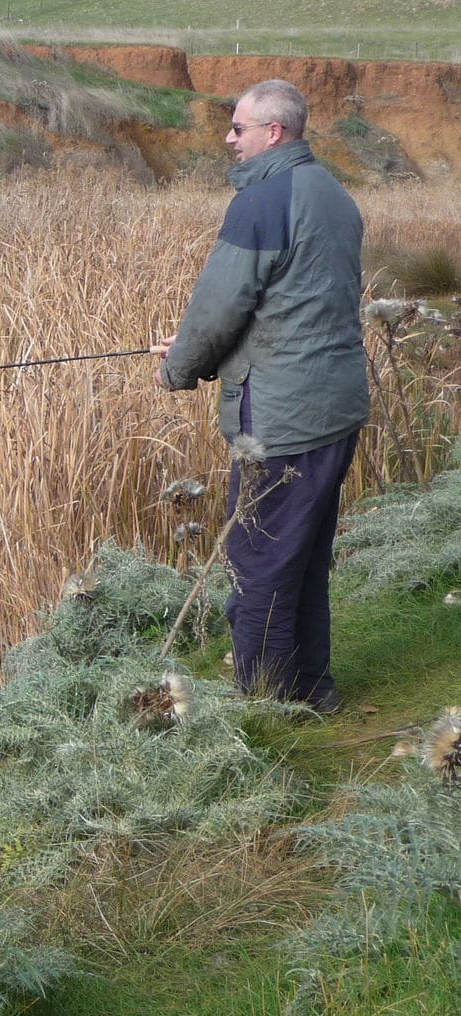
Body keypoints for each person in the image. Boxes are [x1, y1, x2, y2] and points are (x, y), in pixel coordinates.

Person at [151, 79, 368, 713]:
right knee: (300, 552)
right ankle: (309, 688)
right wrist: (200, 349)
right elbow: (291, 307)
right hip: (336, 406)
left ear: (273, 132)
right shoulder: (335, 196)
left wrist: (179, 368)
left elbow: (221, 306)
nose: (229, 138)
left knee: (260, 557)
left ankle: (266, 703)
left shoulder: (262, 200)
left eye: (238, 128)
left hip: (285, 415)